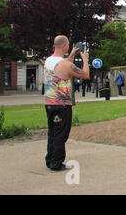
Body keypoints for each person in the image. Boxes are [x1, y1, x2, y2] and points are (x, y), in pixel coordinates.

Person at [43, 35, 89, 171]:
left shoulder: (48, 61)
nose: (68, 48)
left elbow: (62, 68)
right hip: (62, 105)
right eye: (68, 46)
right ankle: (57, 163)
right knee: (60, 134)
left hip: (49, 103)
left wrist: (73, 54)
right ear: (64, 46)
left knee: (52, 132)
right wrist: (85, 60)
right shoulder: (66, 64)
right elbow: (85, 74)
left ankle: (50, 160)